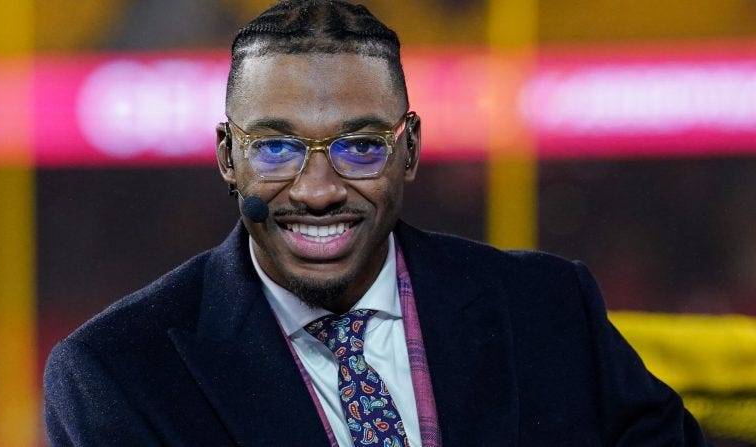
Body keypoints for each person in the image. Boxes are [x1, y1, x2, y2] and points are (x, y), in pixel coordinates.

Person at [43, 1, 709, 445]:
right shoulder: (116, 372)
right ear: (228, 158)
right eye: (276, 147)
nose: (319, 189)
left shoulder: (547, 308)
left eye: (358, 146)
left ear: (408, 149)